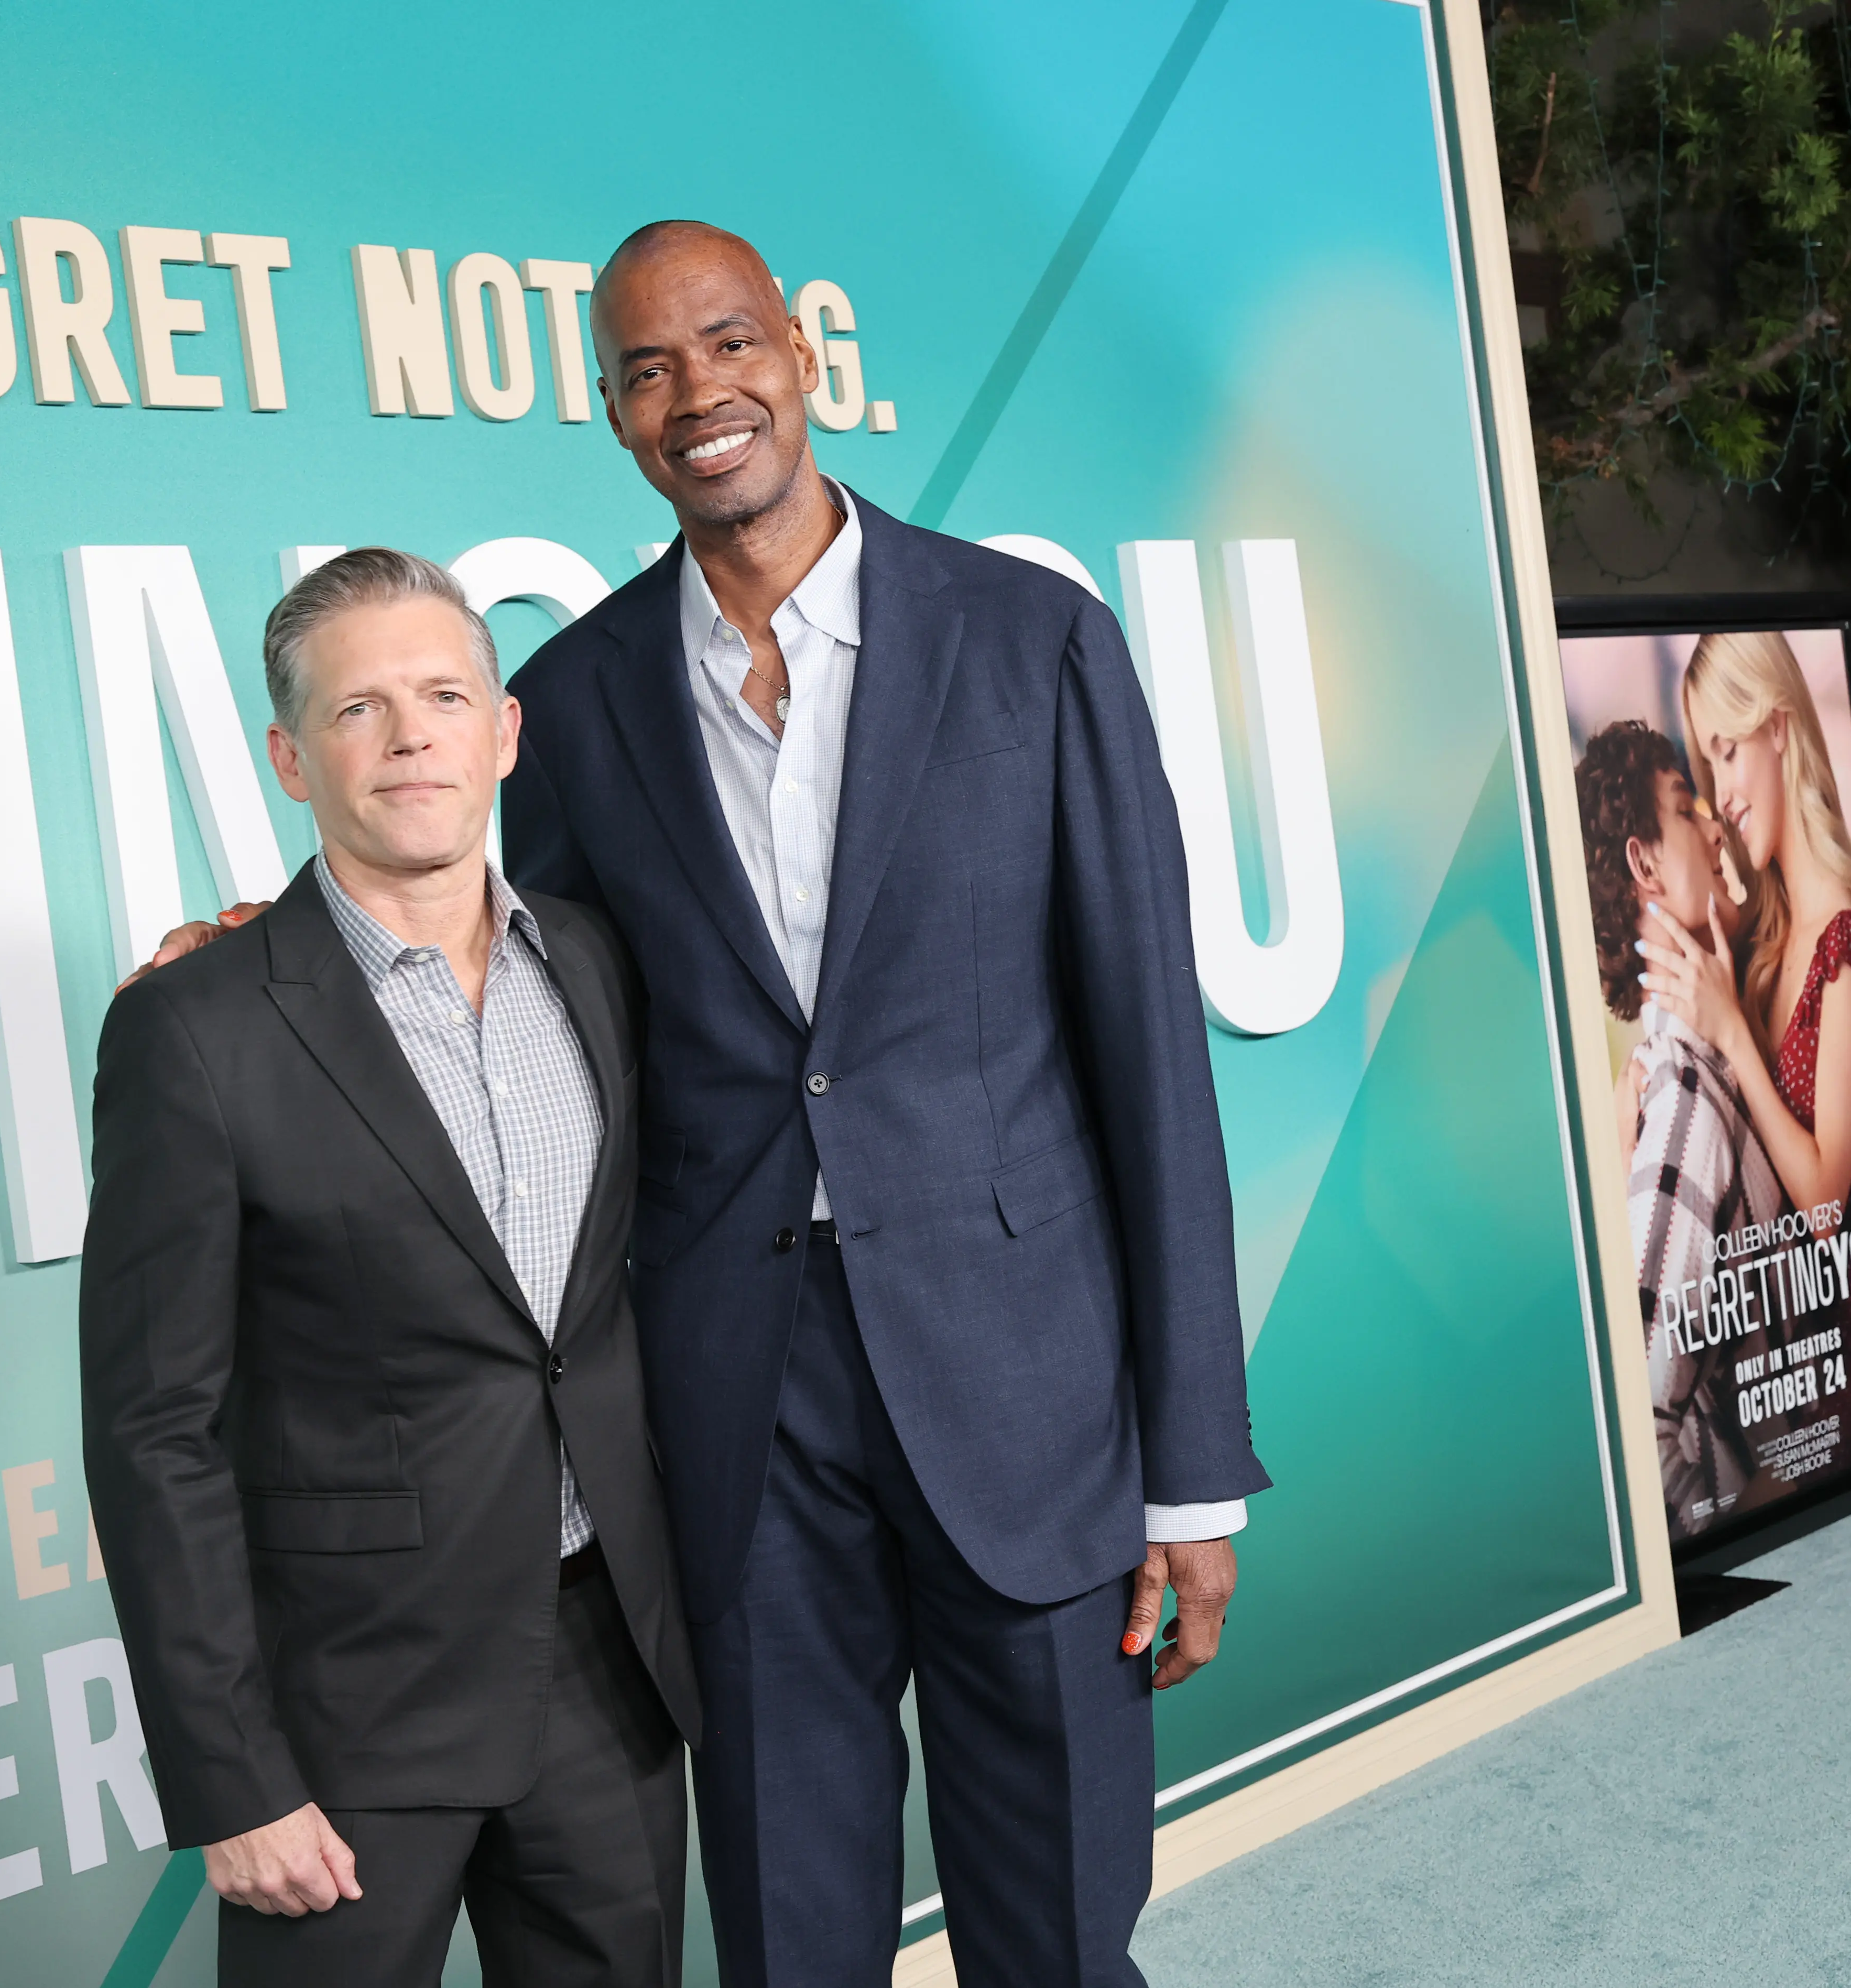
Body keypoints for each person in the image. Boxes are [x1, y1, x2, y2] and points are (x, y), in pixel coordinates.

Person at [141, 219, 1267, 1987]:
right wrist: (239, 950)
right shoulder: (572, 701)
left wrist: (1196, 1466)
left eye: (728, 344)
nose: (698, 394)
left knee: (1055, 1937)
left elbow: (1150, 1058)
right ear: (611, 411)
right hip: (730, 1424)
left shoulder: (1031, 638)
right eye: (647, 370)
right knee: (783, 1940)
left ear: (801, 359)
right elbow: (499, 958)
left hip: (1026, 1397)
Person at [82, 548, 700, 1986]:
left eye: (441, 694)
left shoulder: (600, 966)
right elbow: (151, 1429)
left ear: (504, 731)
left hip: (606, 1676)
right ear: (291, 758)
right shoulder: (195, 1028)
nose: (410, 734)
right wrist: (231, 1776)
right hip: (344, 1722)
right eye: (359, 710)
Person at [1637, 630, 1851, 1435]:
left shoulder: (1841, 932)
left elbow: (1825, 1204)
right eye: (1706, 767)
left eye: (1726, 753)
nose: (1720, 792)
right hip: (1815, 1334)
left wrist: (1733, 1033)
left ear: (1778, 726)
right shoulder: (1778, 924)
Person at [1577, 719, 1785, 1531]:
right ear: (1644, 862)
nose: (1712, 824)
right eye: (1684, 808)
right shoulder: (1680, 1096)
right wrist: (1747, 1500)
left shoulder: (1695, 1062)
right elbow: (1642, 1411)